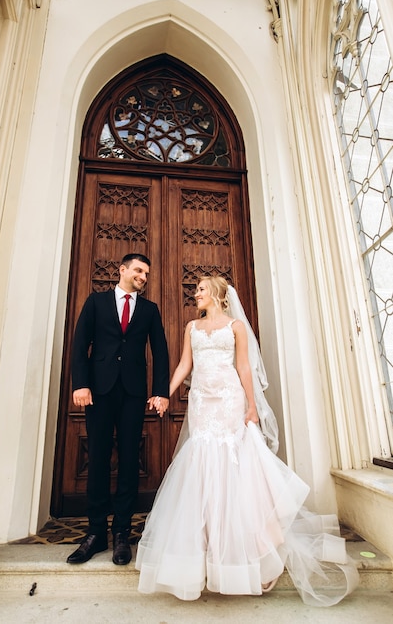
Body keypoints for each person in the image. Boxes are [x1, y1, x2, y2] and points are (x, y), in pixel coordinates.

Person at [136, 276, 359, 605]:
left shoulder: (236, 327)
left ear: (216, 294)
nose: (195, 294)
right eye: (195, 290)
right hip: (202, 402)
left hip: (229, 399)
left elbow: (243, 366)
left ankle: (245, 555)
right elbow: (185, 364)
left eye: (200, 289)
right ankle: (203, 556)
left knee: (233, 467)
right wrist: (163, 395)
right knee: (200, 464)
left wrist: (252, 406)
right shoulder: (191, 328)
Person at [67, 253, 169, 566]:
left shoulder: (150, 309)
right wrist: (80, 384)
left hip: (134, 393)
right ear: (122, 270)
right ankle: (96, 532)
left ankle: (122, 533)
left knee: (128, 458)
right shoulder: (95, 302)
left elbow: (161, 352)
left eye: (147, 273)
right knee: (98, 458)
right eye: (139, 270)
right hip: (98, 391)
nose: (144, 276)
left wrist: (160, 393)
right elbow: (79, 345)